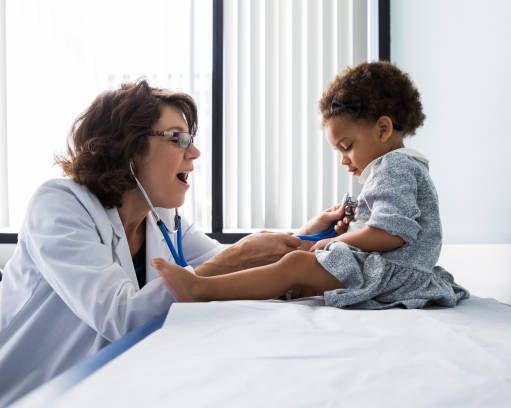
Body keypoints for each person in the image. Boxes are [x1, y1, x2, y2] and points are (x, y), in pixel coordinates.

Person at [0, 80, 349, 404]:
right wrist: (222, 268)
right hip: (32, 390)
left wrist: (306, 235)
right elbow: (122, 316)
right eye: (178, 138)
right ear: (128, 147)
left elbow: (231, 261)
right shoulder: (60, 204)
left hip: (103, 386)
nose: (194, 152)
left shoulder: (160, 218)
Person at [153, 61, 470, 309]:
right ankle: (230, 289)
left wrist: (337, 243)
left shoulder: (395, 166)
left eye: (347, 146)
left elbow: (389, 233)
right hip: (389, 269)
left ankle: (201, 289)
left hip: (394, 274)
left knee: (295, 264)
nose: (344, 160)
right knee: (298, 270)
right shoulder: (397, 167)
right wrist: (340, 234)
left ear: (383, 128)